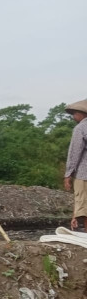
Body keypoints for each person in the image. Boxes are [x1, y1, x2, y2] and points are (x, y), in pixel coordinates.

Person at [65, 99, 87, 232]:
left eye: (74, 113)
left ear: (81, 114)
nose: (73, 117)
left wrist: (68, 173)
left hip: (84, 174)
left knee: (84, 205)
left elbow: (75, 152)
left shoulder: (81, 128)